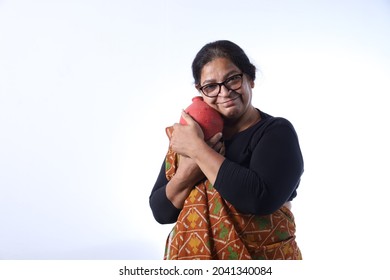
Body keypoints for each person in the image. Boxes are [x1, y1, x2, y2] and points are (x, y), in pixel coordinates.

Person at [149, 40, 304, 260]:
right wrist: (187, 171)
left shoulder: (276, 132)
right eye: (210, 86)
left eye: (232, 79)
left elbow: (259, 200)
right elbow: (161, 211)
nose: (224, 92)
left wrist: (198, 151)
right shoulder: (191, 135)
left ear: (250, 78)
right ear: (200, 91)